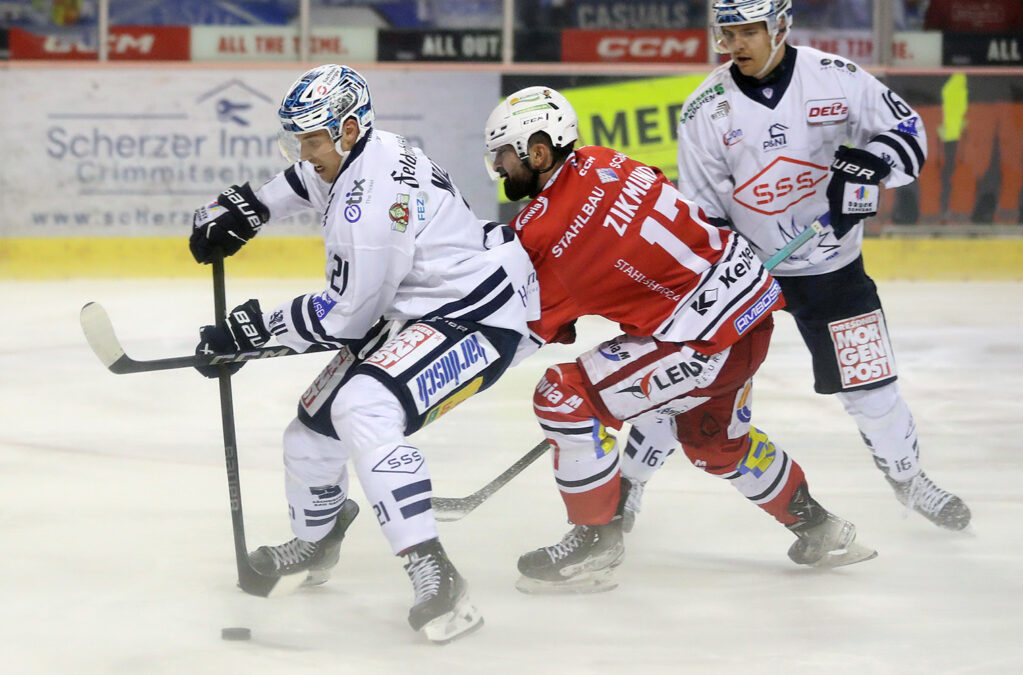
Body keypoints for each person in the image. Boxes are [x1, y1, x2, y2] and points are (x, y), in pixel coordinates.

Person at [188, 64, 537, 643]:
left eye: (315, 138)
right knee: (308, 437)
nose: (306, 151)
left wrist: (251, 333)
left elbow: (345, 316)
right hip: (418, 310)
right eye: (299, 138)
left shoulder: (370, 205)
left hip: (476, 317)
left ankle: (436, 574)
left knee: (363, 408)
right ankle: (318, 544)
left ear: (350, 129)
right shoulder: (365, 148)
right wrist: (247, 207)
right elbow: (307, 178)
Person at [483, 86, 877, 594]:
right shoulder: (605, 161)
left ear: (538, 151)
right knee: (715, 443)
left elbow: (535, 325)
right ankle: (822, 529)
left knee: (563, 397)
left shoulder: (544, 227)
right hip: (749, 317)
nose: (498, 167)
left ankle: (595, 542)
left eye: (504, 154)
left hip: (703, 341)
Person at [622, 0, 970, 533]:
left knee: (872, 387)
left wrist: (872, 165)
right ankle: (628, 489)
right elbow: (703, 215)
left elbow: (907, 130)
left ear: (781, 25)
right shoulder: (705, 109)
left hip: (834, 270)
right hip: (744, 279)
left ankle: (909, 478)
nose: (736, 43)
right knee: (687, 384)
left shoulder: (834, 78)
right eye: (727, 32)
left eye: (749, 31)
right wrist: (728, 265)